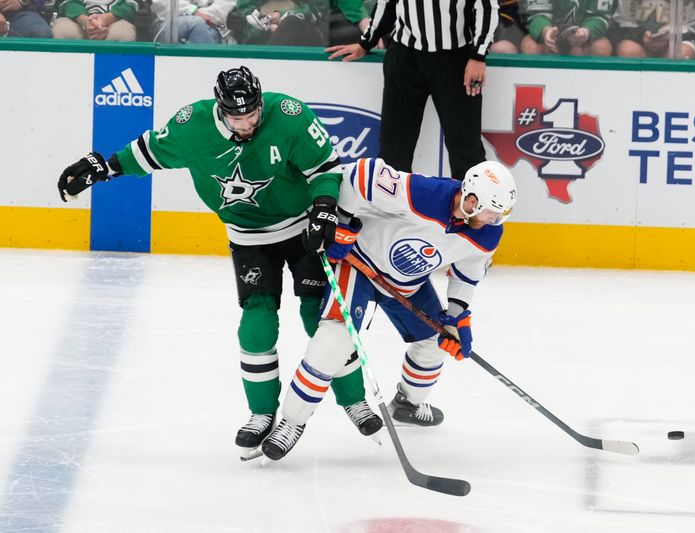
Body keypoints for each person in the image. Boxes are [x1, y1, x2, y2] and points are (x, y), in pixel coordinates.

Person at [56, 66, 382, 460]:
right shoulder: (191, 125)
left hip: (301, 228)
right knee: (256, 322)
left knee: (321, 318)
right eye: (236, 117)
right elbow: (146, 152)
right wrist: (104, 168)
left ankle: (354, 399)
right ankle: (262, 412)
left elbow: (327, 168)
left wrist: (326, 208)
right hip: (249, 238)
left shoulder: (290, 115)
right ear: (221, 108)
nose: (246, 124)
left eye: (252, 115)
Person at [261, 157, 518, 460]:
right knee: (334, 340)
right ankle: (292, 421)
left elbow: (468, 273)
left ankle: (408, 405)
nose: (492, 220)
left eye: (498, 215)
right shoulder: (425, 194)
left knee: (436, 343)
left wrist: (455, 315)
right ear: (470, 198)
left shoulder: (488, 233)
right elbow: (360, 174)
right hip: (360, 264)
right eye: (489, 212)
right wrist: (341, 224)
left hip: (408, 283)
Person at [325, 0, 499, 182]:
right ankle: (392, 206)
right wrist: (366, 42)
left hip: (457, 60)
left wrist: (478, 56)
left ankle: (473, 206)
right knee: (395, 145)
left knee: (466, 145)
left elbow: (487, 7)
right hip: (405, 57)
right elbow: (387, 4)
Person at [611, 0, 695, 59]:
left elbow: (692, 25)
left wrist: (671, 36)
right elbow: (623, 22)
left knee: (681, 54)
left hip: (679, 39)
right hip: (637, 39)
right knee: (627, 51)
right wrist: (641, 36)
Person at [523, 0, 615, 56]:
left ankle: (584, 85)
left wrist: (586, 32)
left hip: (583, 34)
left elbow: (600, 16)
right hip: (550, 32)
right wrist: (545, 31)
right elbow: (536, 14)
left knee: (602, 47)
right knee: (530, 46)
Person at [237, 0, 329, 45]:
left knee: (290, 23)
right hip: (260, 46)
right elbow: (243, 15)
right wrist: (266, 27)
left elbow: (319, 10)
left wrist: (283, 15)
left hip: (304, 40)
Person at [151, 0, 237, 44]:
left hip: (212, 23)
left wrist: (203, 14)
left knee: (208, 30)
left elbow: (223, 6)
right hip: (167, 24)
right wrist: (193, 11)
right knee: (197, 24)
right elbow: (162, 3)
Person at [53, 0, 138, 41]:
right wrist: (86, 21)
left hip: (116, 19)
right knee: (64, 31)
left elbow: (131, 4)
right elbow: (67, 3)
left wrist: (106, 19)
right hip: (76, 19)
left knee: (121, 34)